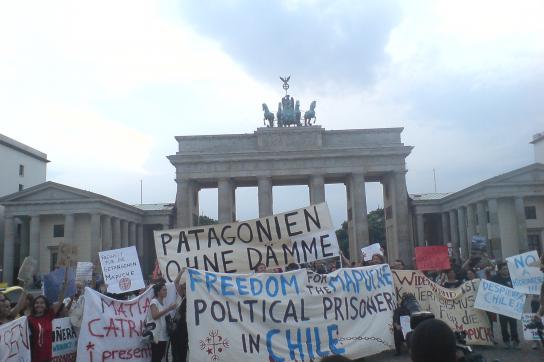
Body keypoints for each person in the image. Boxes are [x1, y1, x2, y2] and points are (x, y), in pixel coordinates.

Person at [148, 282, 177, 362]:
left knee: (160, 358)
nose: (166, 292)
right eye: (164, 290)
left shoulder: (163, 303)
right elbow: (155, 316)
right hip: (157, 336)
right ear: (158, 292)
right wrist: (168, 309)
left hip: (163, 336)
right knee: (156, 358)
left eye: (166, 290)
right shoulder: (154, 302)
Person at [493, 261, 519, 349]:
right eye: (504, 269)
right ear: (499, 270)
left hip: (512, 306)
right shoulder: (495, 279)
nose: (506, 270)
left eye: (507, 269)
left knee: (513, 325)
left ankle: (515, 340)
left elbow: (520, 288)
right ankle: (506, 340)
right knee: (503, 326)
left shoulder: (513, 278)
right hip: (501, 307)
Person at [171, 270, 189, 362]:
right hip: (177, 330)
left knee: (183, 353)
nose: (184, 290)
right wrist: (181, 272)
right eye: (184, 288)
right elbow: (176, 283)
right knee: (176, 353)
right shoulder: (181, 298)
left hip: (186, 330)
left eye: (186, 288)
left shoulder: (193, 300)